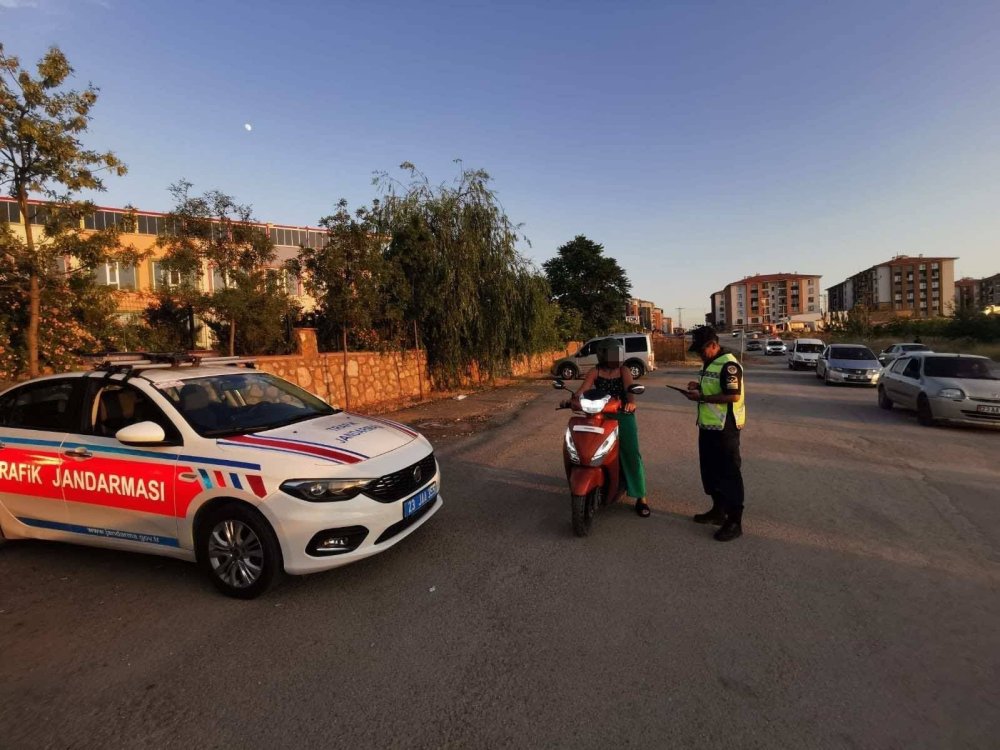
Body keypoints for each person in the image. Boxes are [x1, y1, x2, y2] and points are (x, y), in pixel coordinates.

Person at [562, 338, 649, 517]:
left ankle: (641, 496)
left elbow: (629, 391)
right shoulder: (595, 371)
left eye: (617, 353)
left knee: (631, 453)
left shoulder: (624, 370)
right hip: (598, 414)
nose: (615, 358)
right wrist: (572, 400)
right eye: (611, 354)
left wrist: (631, 404)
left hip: (622, 414)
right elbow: (582, 390)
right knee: (588, 447)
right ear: (602, 355)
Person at [684, 326, 746, 542]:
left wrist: (701, 398)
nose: (700, 354)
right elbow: (711, 387)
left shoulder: (728, 364)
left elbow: (733, 396)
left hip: (725, 429)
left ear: (713, 344)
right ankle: (718, 511)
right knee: (710, 473)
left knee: (729, 475)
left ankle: (734, 522)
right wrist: (697, 386)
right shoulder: (710, 362)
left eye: (702, 350)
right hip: (708, 427)